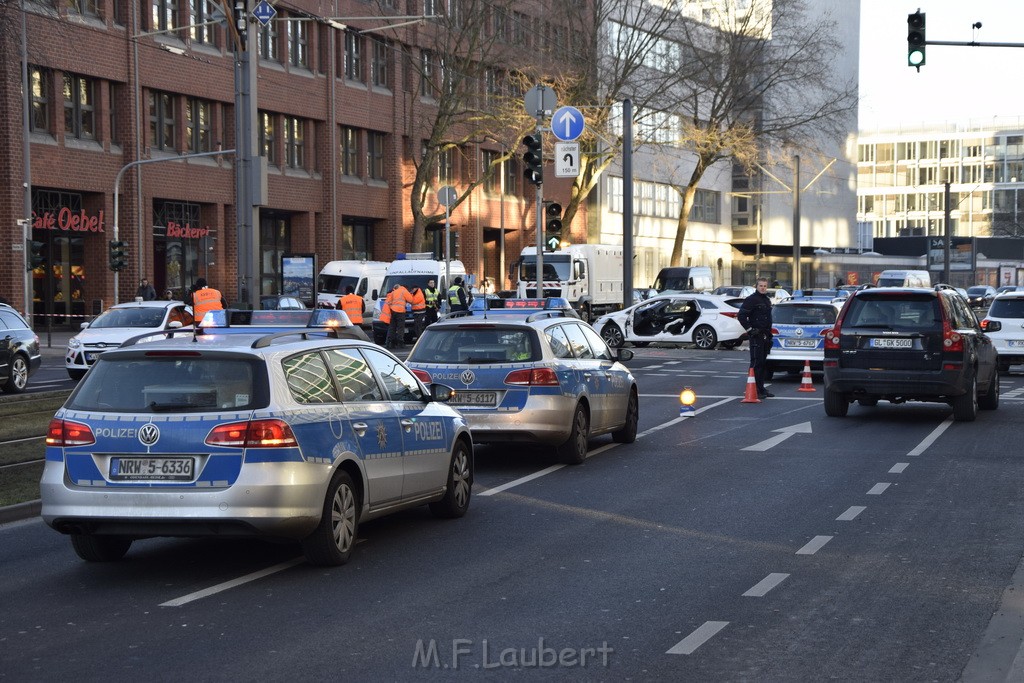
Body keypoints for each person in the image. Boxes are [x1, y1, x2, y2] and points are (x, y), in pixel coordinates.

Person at [737, 277, 774, 399]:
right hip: (756, 336)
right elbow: (741, 315)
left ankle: (761, 388)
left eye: (764, 286)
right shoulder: (751, 300)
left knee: (763, 364)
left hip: (765, 336)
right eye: (760, 286)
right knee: (756, 363)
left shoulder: (767, 300)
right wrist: (750, 330)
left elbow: (768, 319)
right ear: (756, 287)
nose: (763, 288)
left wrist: (769, 334)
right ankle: (754, 388)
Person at [384, 283, 410, 349]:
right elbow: (411, 300)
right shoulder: (403, 291)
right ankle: (400, 343)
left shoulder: (392, 293)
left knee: (392, 327)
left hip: (393, 311)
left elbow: (389, 303)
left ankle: (391, 343)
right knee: (400, 328)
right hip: (400, 312)